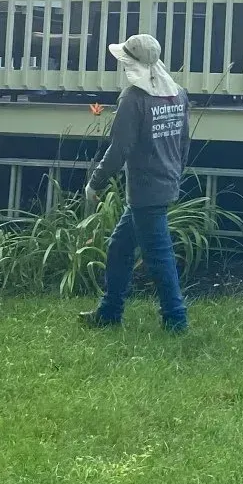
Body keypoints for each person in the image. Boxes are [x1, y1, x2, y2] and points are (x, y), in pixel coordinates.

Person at [81, 34, 193, 332]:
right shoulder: (178, 94)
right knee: (120, 246)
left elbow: (119, 149)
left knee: (159, 257)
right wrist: (175, 174)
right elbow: (184, 142)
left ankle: (176, 320)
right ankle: (109, 311)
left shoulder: (133, 99)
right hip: (166, 181)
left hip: (145, 190)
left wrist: (96, 182)